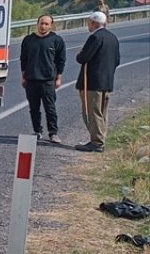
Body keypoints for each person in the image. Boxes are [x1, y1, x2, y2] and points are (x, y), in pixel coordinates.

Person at [74, 11, 121, 152]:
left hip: (92, 82)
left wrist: (79, 54)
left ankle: (96, 142)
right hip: (107, 82)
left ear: (93, 22)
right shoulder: (113, 38)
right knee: (102, 112)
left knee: (92, 112)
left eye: (89, 22)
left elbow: (83, 58)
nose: (89, 25)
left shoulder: (95, 37)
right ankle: (100, 139)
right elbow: (117, 61)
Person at [19, 14, 65, 143]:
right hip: (31, 79)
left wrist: (59, 78)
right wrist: (23, 77)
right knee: (34, 108)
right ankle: (37, 131)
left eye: (46, 24)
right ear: (37, 24)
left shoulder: (56, 40)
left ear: (51, 25)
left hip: (48, 80)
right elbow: (24, 60)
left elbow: (61, 60)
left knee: (50, 108)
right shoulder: (28, 40)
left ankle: (53, 133)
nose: (43, 26)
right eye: (41, 23)